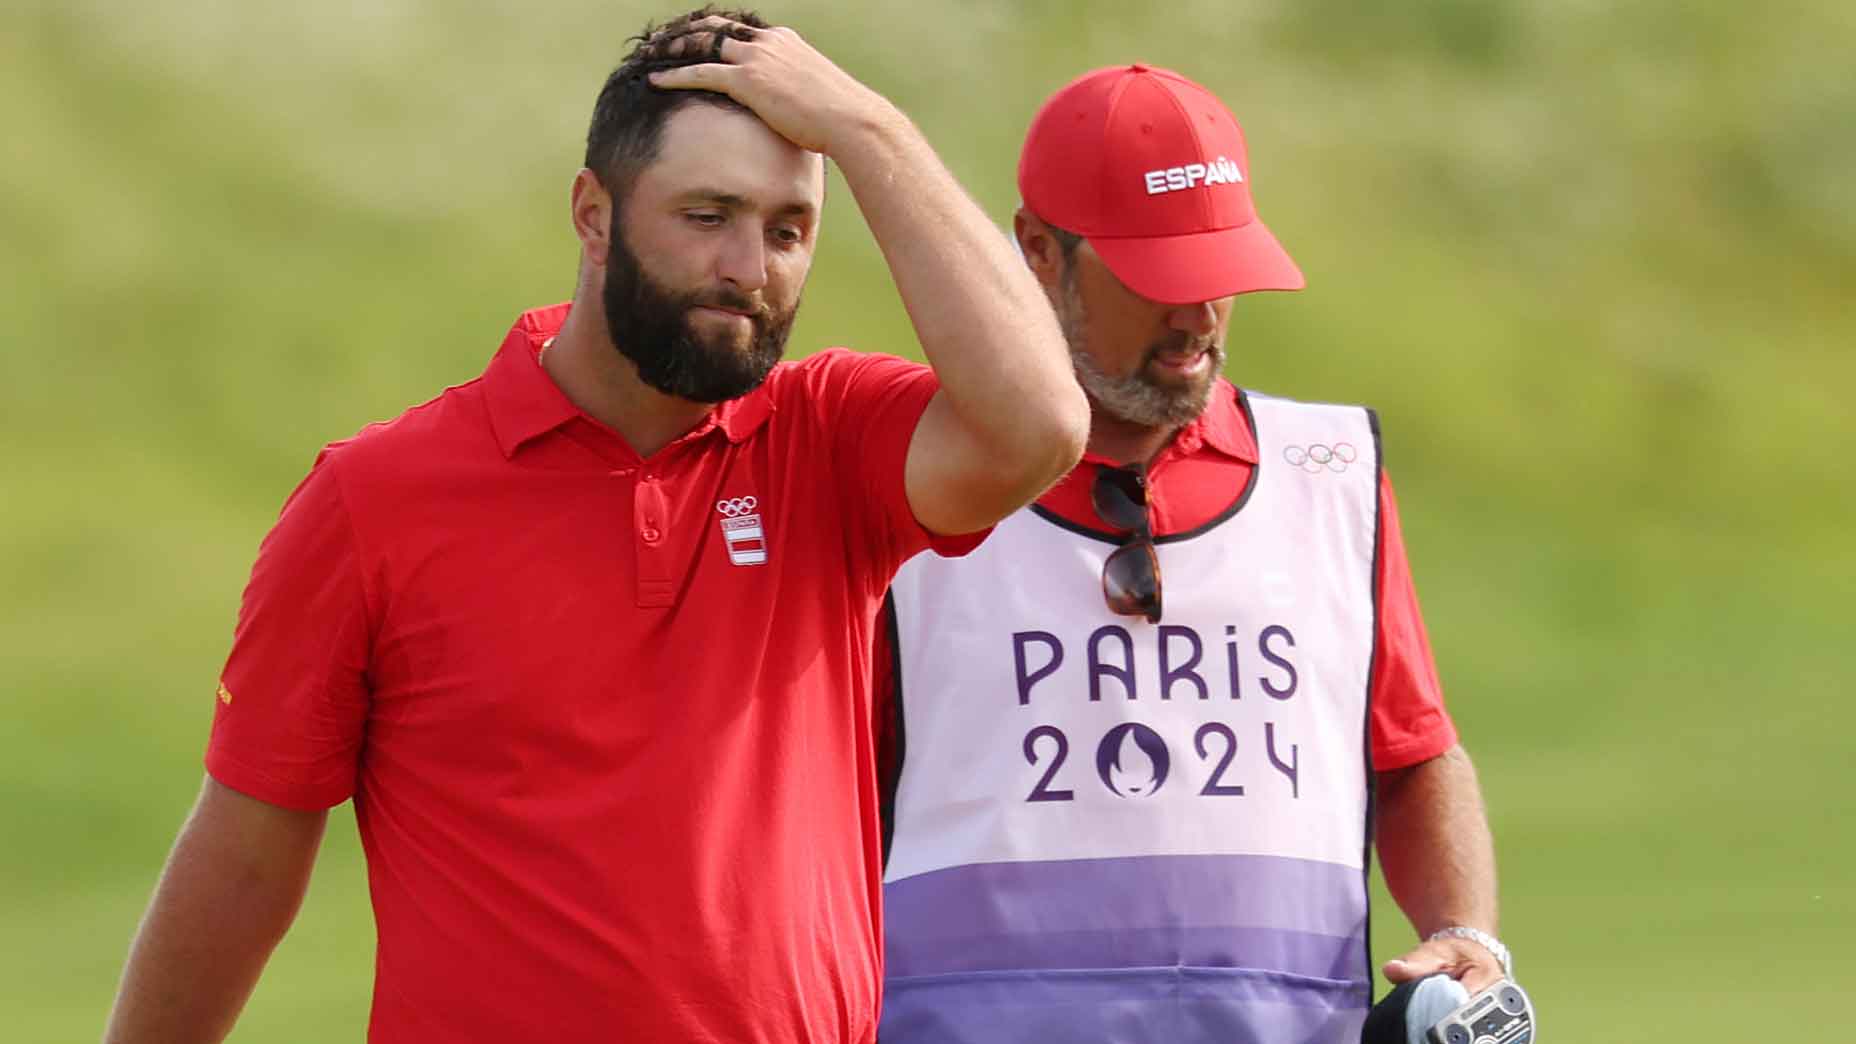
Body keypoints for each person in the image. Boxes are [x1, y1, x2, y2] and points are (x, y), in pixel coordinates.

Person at [103, 10, 1088, 1043]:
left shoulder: (828, 444)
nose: (748, 270)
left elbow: (1039, 424)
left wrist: (866, 128)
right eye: (706, 216)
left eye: (787, 229)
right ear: (592, 214)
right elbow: (246, 857)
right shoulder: (375, 499)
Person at [875, 64, 1507, 1043]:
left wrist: (1464, 937)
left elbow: (1410, 753)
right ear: (1038, 254)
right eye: (1153, 281)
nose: (1196, 318)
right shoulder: (893, 484)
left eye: (1218, 273)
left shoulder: (1331, 471)